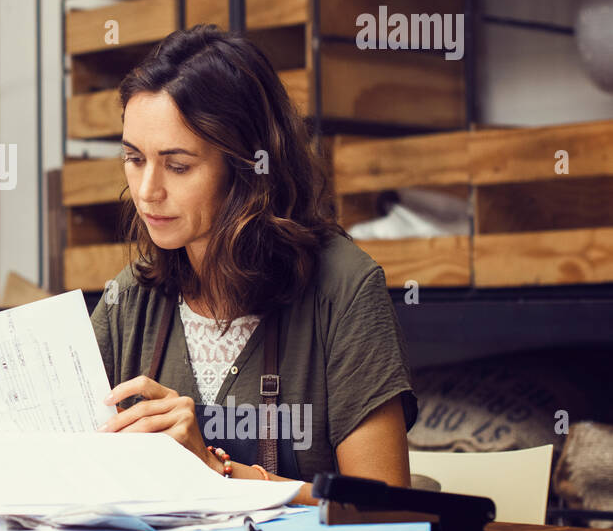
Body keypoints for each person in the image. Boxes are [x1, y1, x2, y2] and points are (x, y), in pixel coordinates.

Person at [91, 25, 418, 504]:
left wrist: (215, 470)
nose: (146, 191)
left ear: (248, 167)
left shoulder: (343, 290)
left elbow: (385, 504)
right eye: (134, 159)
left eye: (177, 165)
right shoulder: (130, 299)